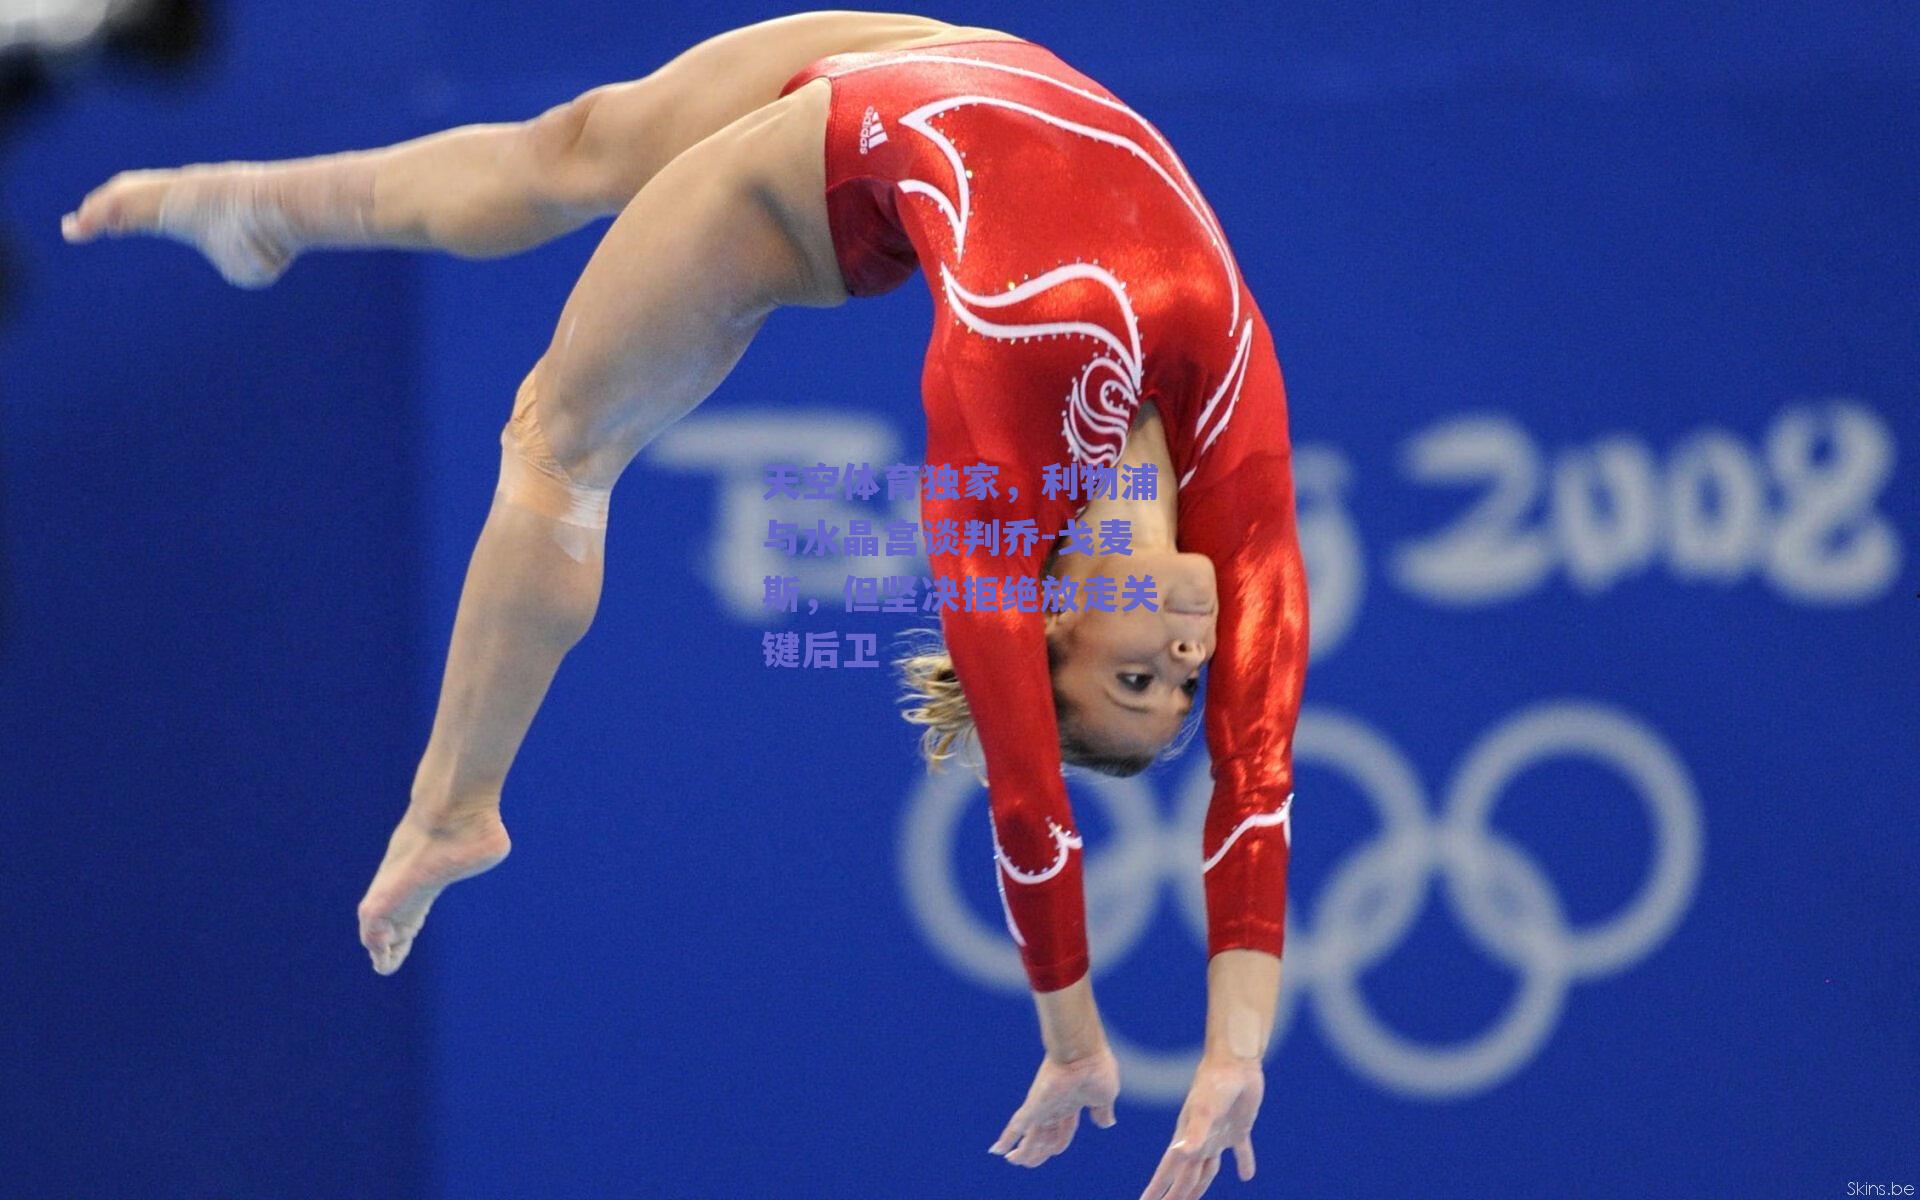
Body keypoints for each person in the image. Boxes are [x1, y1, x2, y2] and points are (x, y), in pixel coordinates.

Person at [61, 13, 1309, 1200]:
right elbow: (1257, 781)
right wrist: (1235, 1052)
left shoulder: (999, 471)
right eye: (1179, 684)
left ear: (1052, 623)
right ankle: (267, 209)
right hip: (953, 64)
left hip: (828, 169)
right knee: (577, 146)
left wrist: (1074, 1037)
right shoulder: (1235, 466)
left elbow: (1028, 801)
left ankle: (454, 807)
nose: (1188, 656)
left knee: (557, 445)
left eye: (1139, 681)